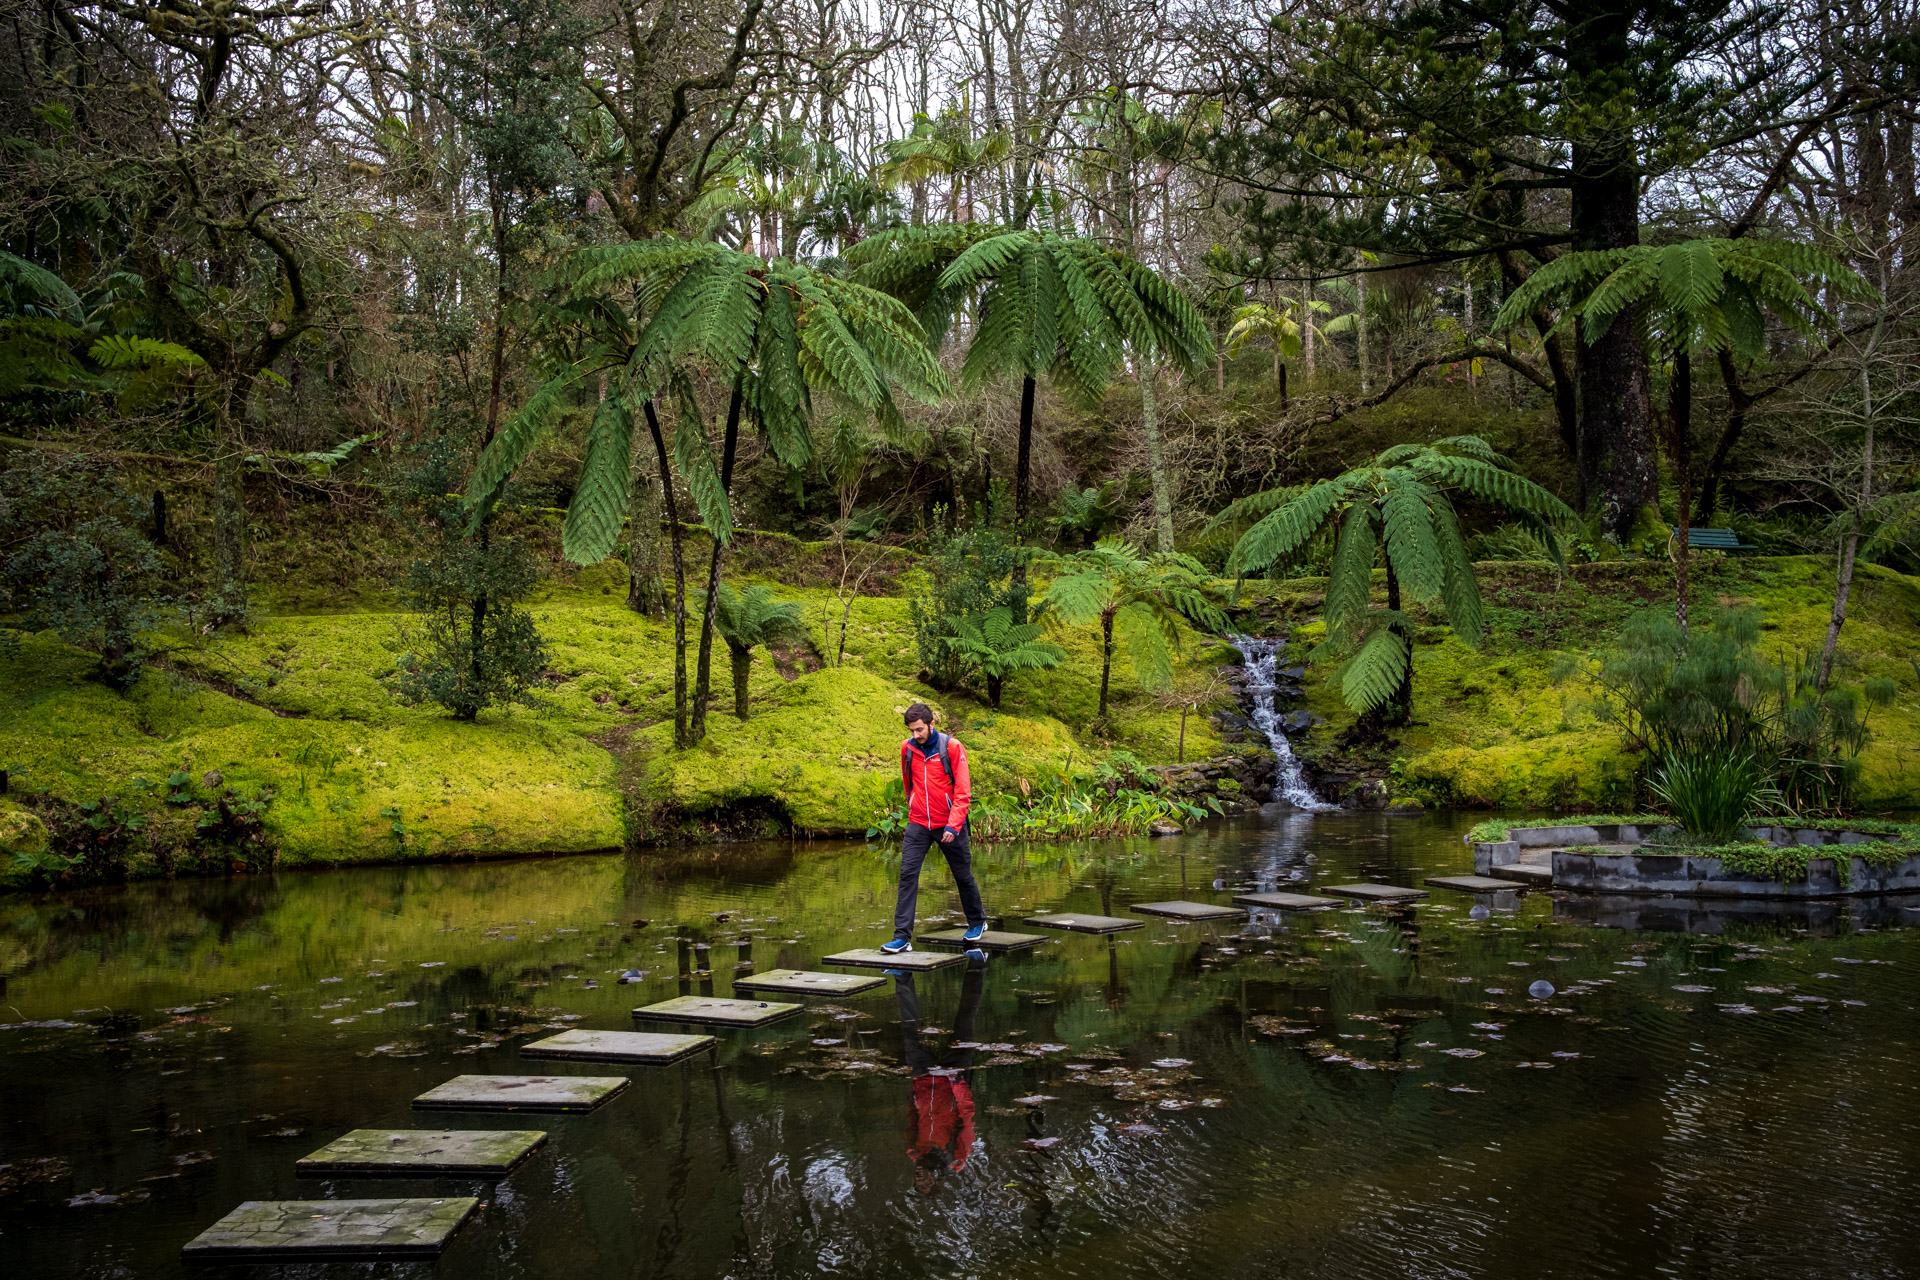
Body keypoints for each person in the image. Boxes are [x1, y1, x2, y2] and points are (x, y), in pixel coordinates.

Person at [881, 703, 986, 954]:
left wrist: (953, 824)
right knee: (907, 876)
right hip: (919, 822)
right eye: (912, 730)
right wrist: (913, 805)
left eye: (919, 730)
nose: (915, 735)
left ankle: (977, 922)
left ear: (931, 724)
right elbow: (909, 784)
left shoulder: (952, 747)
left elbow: (963, 792)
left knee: (962, 875)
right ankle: (902, 937)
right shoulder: (907, 748)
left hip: (949, 823)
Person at [897, 956, 986, 1188]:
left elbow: (911, 1117)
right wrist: (956, 1080)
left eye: (917, 1182)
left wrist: (914, 1085)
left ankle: (902, 976)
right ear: (936, 1180)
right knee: (965, 1020)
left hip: (923, 1077)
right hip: (954, 1075)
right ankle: (978, 965)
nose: (919, 1179)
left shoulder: (914, 1150)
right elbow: (967, 1114)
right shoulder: (957, 1155)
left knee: (909, 1029)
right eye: (925, 1183)